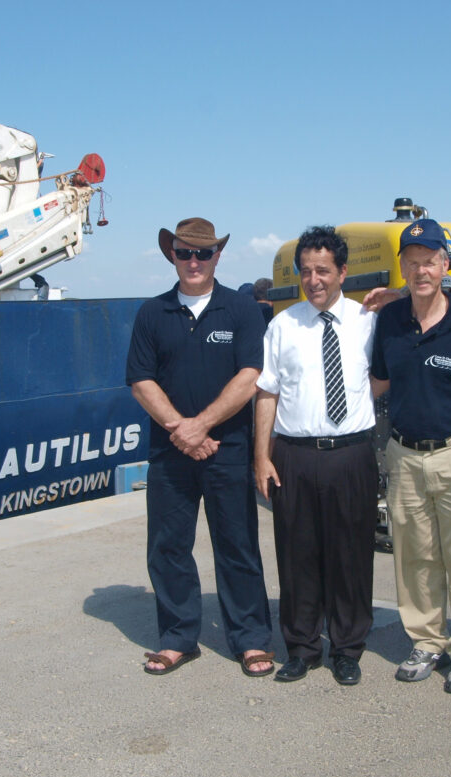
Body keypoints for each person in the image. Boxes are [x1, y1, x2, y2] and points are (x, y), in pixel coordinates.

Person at [126, 217, 274, 678]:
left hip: (228, 450)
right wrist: (182, 431)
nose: (194, 261)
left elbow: (250, 376)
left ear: (217, 256)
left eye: (203, 253)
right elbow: (140, 380)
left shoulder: (241, 310)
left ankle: (250, 639)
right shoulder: (152, 313)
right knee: (168, 547)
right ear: (172, 255)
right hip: (170, 453)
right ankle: (177, 638)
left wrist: (202, 426)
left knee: (237, 545)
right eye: (185, 252)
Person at [370, 218, 451, 695]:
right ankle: (426, 640)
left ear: (445, 266)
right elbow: (378, 382)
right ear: (402, 267)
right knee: (415, 556)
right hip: (404, 454)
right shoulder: (390, 321)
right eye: (412, 262)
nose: (421, 271)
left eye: (430, 262)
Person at [254, 225, 378, 686]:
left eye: (323, 270)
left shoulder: (368, 321)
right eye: (306, 271)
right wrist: (262, 457)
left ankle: (347, 648)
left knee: (351, 556)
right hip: (296, 456)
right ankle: (302, 648)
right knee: (297, 556)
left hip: (351, 454)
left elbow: (384, 376)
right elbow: (267, 393)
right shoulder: (283, 326)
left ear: (343, 272)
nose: (313, 280)